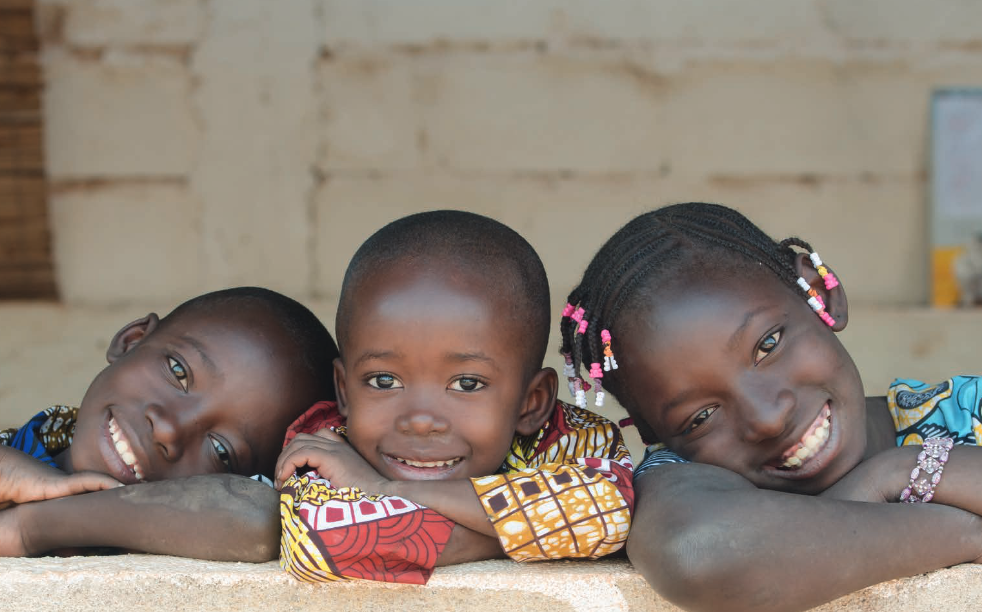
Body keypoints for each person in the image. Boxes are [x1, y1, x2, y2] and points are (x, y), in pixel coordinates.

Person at [560, 202, 982, 612]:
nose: (768, 417)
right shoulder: (678, 481)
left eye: (768, 345)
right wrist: (898, 479)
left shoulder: (969, 411)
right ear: (652, 433)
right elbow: (700, 553)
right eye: (701, 417)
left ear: (817, 294)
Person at [276, 210, 634, 584]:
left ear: (533, 402)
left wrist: (384, 489)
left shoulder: (570, 436)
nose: (420, 419)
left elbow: (613, 508)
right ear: (344, 389)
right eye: (383, 380)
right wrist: (541, 535)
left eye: (466, 384)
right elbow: (322, 544)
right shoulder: (326, 449)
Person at [0, 286, 338, 560]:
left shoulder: (173, 535)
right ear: (132, 339)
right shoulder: (11, 451)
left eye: (221, 451)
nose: (168, 429)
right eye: (178, 372)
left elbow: (257, 516)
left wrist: (30, 528)